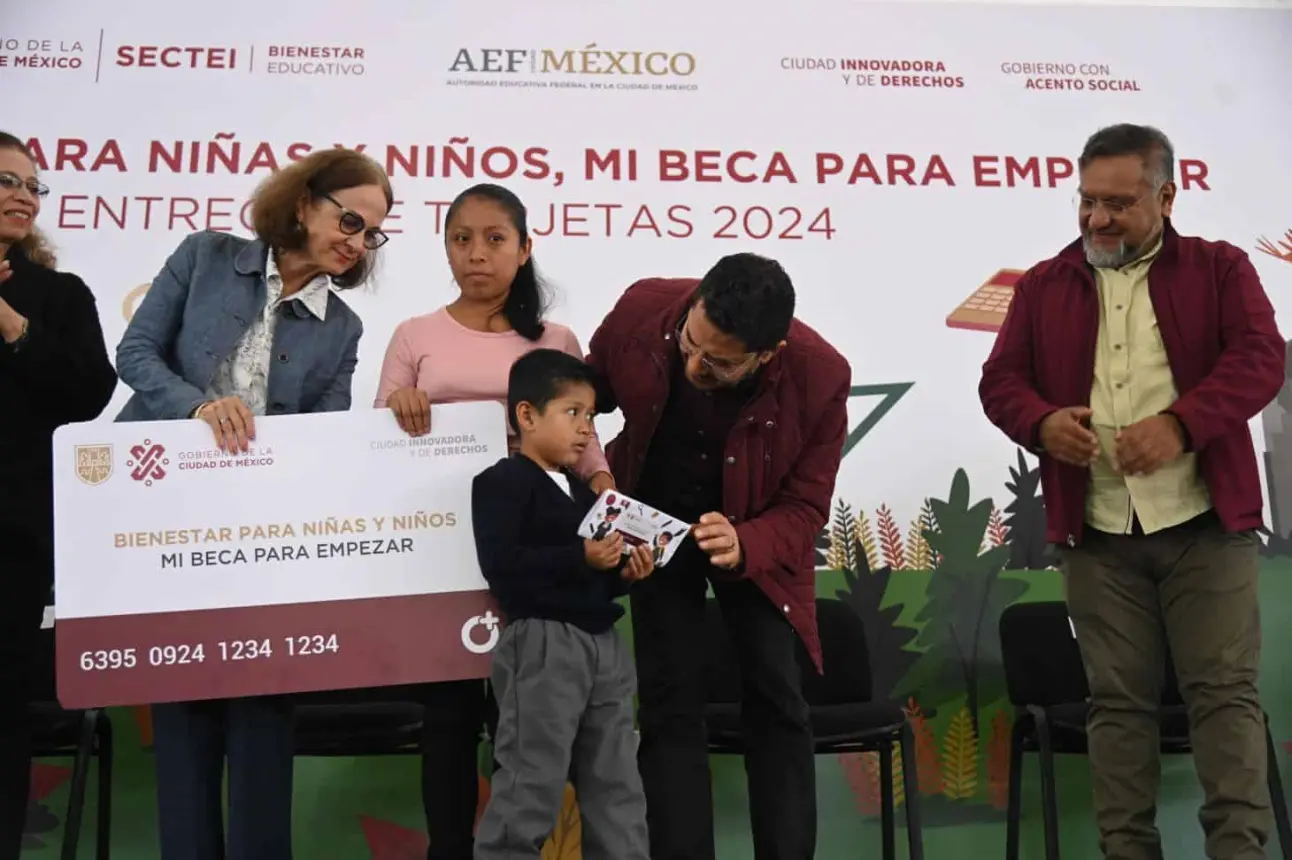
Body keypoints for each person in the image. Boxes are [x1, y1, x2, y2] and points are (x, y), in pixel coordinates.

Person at [979, 123, 1284, 860]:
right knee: (1116, 707)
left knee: (1224, 700)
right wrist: (1043, 422)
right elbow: (1000, 382)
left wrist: (1182, 425)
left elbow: (1260, 359)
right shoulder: (1045, 284)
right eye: (1086, 201)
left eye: (1118, 203)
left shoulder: (1220, 268)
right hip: (1098, 533)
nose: (1097, 220)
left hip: (1207, 526)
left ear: (1167, 197)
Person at [114, 147, 392, 860]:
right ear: (304, 203)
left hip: (262, 542)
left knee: (264, 714)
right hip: (162, 521)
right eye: (351, 221)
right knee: (181, 716)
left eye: (371, 235)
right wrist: (199, 408)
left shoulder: (345, 329)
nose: (357, 244)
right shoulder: (205, 255)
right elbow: (137, 355)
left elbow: (325, 440)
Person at [372, 182, 614, 860]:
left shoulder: (557, 336)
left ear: (525, 246)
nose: (476, 254)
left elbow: (583, 435)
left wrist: (603, 487)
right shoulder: (414, 335)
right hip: (439, 543)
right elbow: (374, 441)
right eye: (460, 239)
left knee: (530, 716)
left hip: (537, 547)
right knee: (448, 715)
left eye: (494, 239)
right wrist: (403, 406)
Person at [587, 253, 852, 860]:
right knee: (667, 701)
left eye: (719, 361)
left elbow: (807, 508)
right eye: (689, 344)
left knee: (778, 700)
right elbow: (581, 392)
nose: (693, 364)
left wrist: (746, 543)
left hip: (753, 536)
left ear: (768, 353)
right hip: (652, 521)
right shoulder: (642, 309)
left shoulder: (821, 375)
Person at [470, 348, 653, 860]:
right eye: (572, 413)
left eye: (591, 418)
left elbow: (594, 577)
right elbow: (502, 565)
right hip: (543, 644)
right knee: (531, 779)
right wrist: (581, 556)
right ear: (526, 416)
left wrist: (624, 575)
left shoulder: (583, 493)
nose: (584, 430)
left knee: (617, 781)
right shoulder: (499, 483)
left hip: (604, 646)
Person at [0, 131, 117, 860]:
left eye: (33, 185)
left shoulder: (60, 296)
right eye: (7, 180)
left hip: (12, 533)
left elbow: (90, 393)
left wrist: (13, 326)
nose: (23, 195)